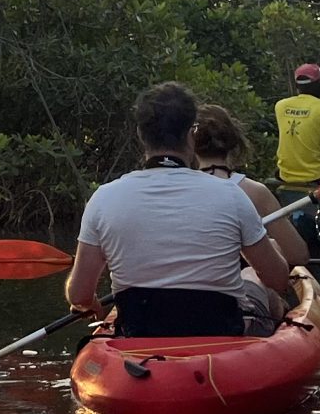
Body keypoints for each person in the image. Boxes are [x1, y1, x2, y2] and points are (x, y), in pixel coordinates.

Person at [68, 83, 296, 338]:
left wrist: (90, 304)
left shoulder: (103, 198)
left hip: (139, 334)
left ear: (140, 135)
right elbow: (278, 280)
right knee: (254, 277)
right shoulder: (231, 195)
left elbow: (79, 296)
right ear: (191, 134)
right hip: (220, 334)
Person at [192, 103, 316, 280]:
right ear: (233, 141)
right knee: (273, 246)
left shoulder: (174, 189)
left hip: (184, 290)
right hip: (236, 289)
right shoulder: (256, 192)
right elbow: (298, 255)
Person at [272, 63, 320, 190]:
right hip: (316, 176)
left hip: (285, 175)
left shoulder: (280, 106)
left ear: (297, 86)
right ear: (319, 85)